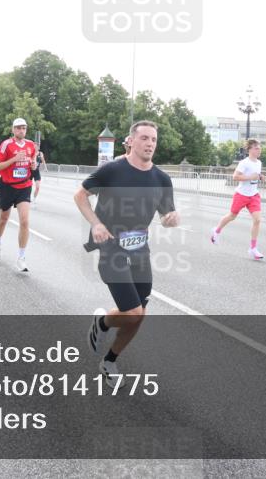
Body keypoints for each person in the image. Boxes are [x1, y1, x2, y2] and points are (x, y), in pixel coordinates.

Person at [73, 121, 179, 380]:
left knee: (139, 316)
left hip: (141, 251)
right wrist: (96, 224)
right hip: (112, 249)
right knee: (132, 312)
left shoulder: (161, 179)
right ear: (131, 141)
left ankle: (109, 361)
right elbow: (80, 196)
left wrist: (172, 219)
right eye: (144, 138)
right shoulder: (112, 170)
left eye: (153, 139)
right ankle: (102, 322)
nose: (150, 143)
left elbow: (167, 215)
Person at [0, 118, 38, 272]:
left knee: (24, 221)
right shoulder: (6, 145)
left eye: (24, 128)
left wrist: (34, 165)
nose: (21, 130)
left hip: (24, 186)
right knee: (4, 219)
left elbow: (32, 163)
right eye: (18, 128)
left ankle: (21, 258)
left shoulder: (31, 145)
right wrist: (14, 159)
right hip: (7, 187)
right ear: (13, 130)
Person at [211, 139, 265, 260]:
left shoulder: (259, 163)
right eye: (256, 148)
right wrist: (250, 177)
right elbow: (235, 176)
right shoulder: (244, 163)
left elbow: (255, 175)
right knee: (232, 216)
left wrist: (260, 176)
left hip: (254, 195)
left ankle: (253, 248)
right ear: (249, 150)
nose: (259, 150)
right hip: (241, 194)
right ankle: (216, 231)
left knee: (257, 220)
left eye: (259, 148)